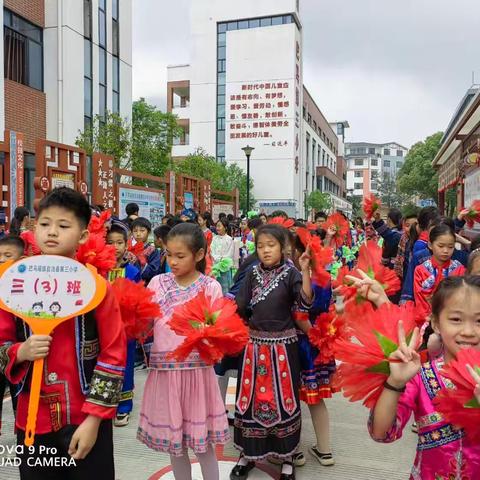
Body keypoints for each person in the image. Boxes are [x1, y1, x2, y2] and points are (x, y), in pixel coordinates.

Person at [0, 187, 126, 479]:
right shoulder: (13, 284)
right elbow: (2, 343)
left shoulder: (96, 288)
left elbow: (114, 353)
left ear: (83, 236)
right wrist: (21, 351)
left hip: (85, 419)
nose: (52, 232)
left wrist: (94, 420)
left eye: (63, 225)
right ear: (34, 228)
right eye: (44, 224)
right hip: (32, 420)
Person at [137, 223, 229, 480]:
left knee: (203, 445)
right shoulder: (156, 282)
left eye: (181, 256)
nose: (173, 261)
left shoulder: (210, 287)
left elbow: (218, 330)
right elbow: (145, 322)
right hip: (165, 375)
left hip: (197, 375)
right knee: (175, 446)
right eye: (169, 254)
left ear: (199, 255)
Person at [369, 275, 480, 479]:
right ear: (436, 323)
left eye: (479, 321)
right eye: (456, 319)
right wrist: (395, 383)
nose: (469, 331)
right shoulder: (420, 376)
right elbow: (381, 433)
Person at [231, 224, 313, 480]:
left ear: (283, 247)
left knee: (284, 400)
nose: (265, 251)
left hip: (283, 350)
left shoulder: (291, 273)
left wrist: (306, 270)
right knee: (249, 398)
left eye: (271, 245)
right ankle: (247, 454)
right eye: (260, 246)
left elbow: (304, 303)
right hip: (254, 347)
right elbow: (241, 305)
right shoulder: (252, 273)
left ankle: (286, 458)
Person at [106, 222, 142, 427]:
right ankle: (105, 403)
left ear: (126, 244)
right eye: (110, 242)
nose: (115, 247)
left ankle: (124, 405)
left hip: (125, 327)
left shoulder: (132, 271)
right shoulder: (96, 269)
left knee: (126, 365)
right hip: (101, 326)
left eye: (119, 242)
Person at [413, 224, 466, 325]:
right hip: (427, 321)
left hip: (453, 320)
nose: (446, 251)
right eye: (441, 246)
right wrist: (429, 318)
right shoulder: (421, 270)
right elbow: (420, 299)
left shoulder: (460, 269)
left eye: (450, 247)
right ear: (430, 245)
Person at [0, 235, 24, 434]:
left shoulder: (27, 286)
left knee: (20, 396)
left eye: (8, 255)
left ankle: (23, 434)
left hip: (19, 354)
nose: (1, 259)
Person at [131, 217, 161, 283]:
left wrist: (143, 265)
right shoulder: (129, 250)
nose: (138, 234)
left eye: (142, 230)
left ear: (149, 232)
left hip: (146, 286)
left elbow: (154, 271)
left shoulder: (153, 251)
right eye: (135, 231)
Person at [211, 218, 235, 294]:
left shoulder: (230, 239)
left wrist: (222, 260)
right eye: (216, 226)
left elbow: (230, 254)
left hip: (225, 268)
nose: (217, 228)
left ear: (225, 228)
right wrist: (217, 259)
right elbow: (211, 251)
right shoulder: (214, 238)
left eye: (219, 226)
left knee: (225, 288)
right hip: (215, 267)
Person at [393, 213, 418, 281]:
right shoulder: (403, 239)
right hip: (404, 275)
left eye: (414, 225)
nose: (410, 228)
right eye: (407, 225)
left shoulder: (422, 242)